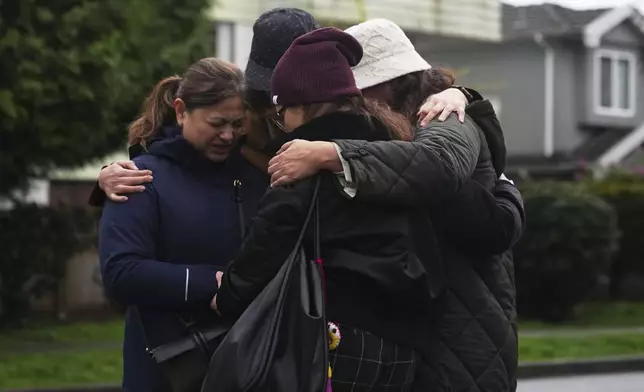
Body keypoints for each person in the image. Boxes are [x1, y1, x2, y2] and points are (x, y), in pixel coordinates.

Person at [265, 18, 522, 392]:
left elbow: (438, 169)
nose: (352, 101)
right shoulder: (404, 129)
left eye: (360, 89)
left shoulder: (445, 116)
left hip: (460, 338)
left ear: (394, 82)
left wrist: (333, 153)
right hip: (429, 331)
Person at [214, 27, 425, 392]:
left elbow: (267, 244)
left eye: (283, 113)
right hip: (405, 343)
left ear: (305, 105)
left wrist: (227, 295)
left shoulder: (300, 160)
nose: (281, 125)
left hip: (334, 340)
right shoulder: (393, 148)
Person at [89, 9, 473, 205]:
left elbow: (409, 164)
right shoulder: (238, 105)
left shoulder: (351, 119)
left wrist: (463, 96)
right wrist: (108, 177)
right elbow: (168, 142)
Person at [98, 58, 269, 392]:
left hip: (248, 370)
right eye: (217, 122)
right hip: (164, 374)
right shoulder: (139, 179)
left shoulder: (257, 177)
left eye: (236, 124)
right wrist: (212, 284)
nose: (228, 135)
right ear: (180, 111)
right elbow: (120, 273)